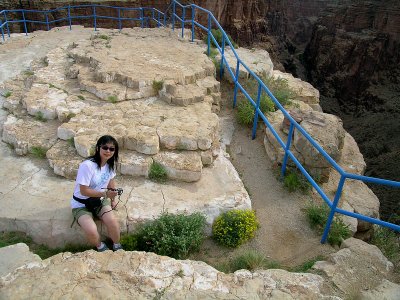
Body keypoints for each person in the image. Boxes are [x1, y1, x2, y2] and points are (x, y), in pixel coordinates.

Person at [71, 135, 122, 252]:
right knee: (91, 230)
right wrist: (105, 195)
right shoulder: (87, 166)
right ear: (98, 148)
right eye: (105, 147)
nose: (108, 151)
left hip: (98, 200)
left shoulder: (110, 165)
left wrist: (113, 200)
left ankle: (117, 245)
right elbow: (84, 191)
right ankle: (100, 247)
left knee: (112, 222)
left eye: (112, 149)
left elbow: (111, 183)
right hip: (81, 204)